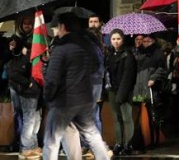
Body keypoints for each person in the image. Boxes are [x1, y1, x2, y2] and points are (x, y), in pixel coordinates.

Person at [42, 12, 111, 160]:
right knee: (92, 135)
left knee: (51, 140)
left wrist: (47, 97)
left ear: (63, 27)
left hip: (64, 100)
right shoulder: (88, 46)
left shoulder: (62, 49)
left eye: (57, 26)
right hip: (85, 98)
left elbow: (52, 79)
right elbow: (95, 70)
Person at [131, 33, 167, 154]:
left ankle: (153, 140)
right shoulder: (138, 52)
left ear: (152, 41)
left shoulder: (157, 53)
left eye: (147, 41)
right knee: (139, 115)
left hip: (152, 88)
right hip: (138, 87)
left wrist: (154, 78)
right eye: (143, 41)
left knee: (153, 114)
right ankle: (141, 141)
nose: (144, 43)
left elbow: (162, 68)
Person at [6, 37, 42, 158]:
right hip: (28, 93)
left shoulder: (35, 58)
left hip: (36, 93)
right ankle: (26, 148)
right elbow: (13, 73)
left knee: (36, 119)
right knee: (29, 119)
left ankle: (33, 145)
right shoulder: (19, 60)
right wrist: (29, 83)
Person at [106, 28, 137, 156]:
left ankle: (128, 144)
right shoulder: (110, 54)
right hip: (112, 90)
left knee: (126, 118)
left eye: (118, 39)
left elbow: (128, 76)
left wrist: (122, 94)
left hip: (124, 91)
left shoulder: (128, 55)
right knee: (116, 119)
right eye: (113, 39)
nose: (116, 41)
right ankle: (119, 144)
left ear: (123, 40)